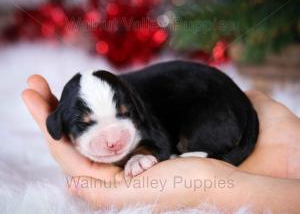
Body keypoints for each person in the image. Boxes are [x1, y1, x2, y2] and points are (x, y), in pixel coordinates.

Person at [22, 75, 300, 213]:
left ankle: (213, 152)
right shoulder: (122, 93)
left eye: (123, 116)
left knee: (187, 129)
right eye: (86, 123)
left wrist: (143, 153)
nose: (112, 140)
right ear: (58, 124)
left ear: (134, 107)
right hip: (227, 109)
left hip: (212, 108)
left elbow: (159, 141)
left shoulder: (136, 101)